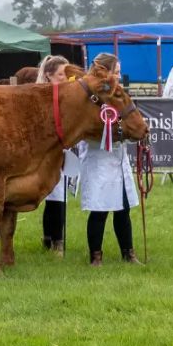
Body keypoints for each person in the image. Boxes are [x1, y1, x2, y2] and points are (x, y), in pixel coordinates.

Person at [78, 53, 141, 266]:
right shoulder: (90, 98)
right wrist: (114, 134)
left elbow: (128, 120)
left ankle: (128, 253)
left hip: (118, 159)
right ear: (105, 73)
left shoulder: (119, 95)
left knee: (123, 209)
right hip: (98, 160)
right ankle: (96, 256)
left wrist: (132, 132)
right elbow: (87, 131)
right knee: (99, 210)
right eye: (116, 71)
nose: (119, 75)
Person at [36, 55, 72, 255]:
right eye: (60, 74)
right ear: (49, 75)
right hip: (46, 151)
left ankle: (53, 239)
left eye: (66, 74)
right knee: (53, 195)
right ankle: (53, 239)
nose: (65, 78)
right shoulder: (41, 97)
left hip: (62, 148)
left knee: (58, 195)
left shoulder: (68, 97)